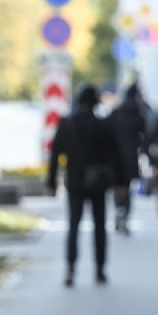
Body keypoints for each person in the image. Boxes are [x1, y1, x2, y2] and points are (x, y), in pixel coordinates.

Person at [46, 84, 120, 287]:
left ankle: (70, 268)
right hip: (98, 184)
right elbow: (114, 155)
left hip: (75, 183)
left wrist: (51, 181)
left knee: (73, 226)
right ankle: (100, 269)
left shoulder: (67, 124)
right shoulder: (102, 125)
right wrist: (119, 181)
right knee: (99, 227)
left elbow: (55, 155)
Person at [108, 83, 147, 234]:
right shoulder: (138, 113)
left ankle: (119, 210)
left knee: (117, 186)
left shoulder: (116, 113)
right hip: (131, 155)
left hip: (115, 156)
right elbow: (145, 135)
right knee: (127, 186)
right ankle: (125, 214)